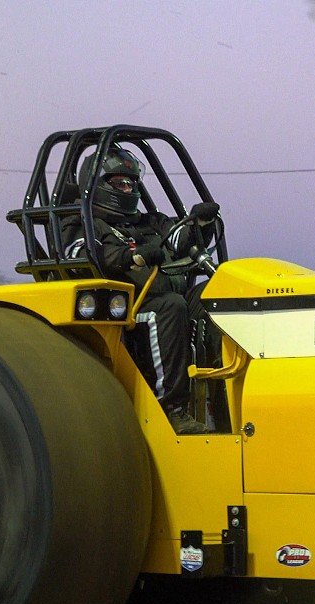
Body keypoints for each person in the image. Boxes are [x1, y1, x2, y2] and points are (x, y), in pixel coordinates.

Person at [65, 146, 210, 434]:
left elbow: (178, 239)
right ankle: (170, 411)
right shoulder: (84, 223)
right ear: (98, 185)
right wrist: (133, 256)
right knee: (170, 307)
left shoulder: (149, 220)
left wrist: (200, 226)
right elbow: (80, 254)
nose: (129, 188)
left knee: (216, 295)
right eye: (121, 183)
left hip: (170, 297)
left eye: (132, 183)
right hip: (126, 312)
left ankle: (222, 394)